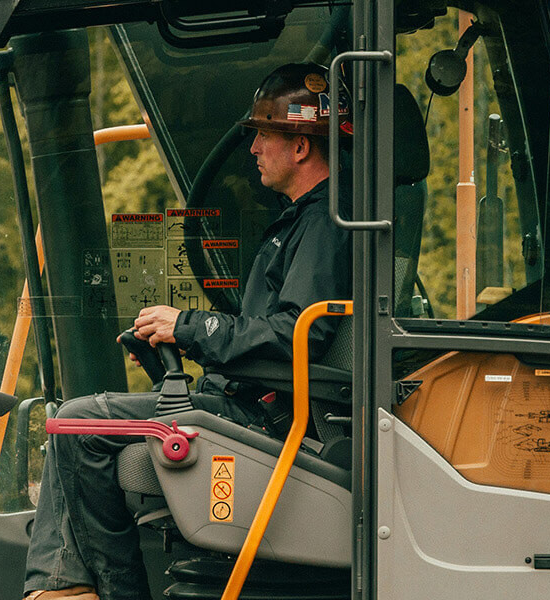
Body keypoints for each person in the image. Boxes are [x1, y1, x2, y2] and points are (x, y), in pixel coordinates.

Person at [21, 63, 354, 600]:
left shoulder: (322, 224)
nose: (253, 149)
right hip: (254, 400)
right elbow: (272, 334)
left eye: (263, 135)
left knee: (77, 422)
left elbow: (297, 334)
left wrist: (189, 325)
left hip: (264, 416)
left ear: (299, 146)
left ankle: (78, 590)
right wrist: (177, 347)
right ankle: (62, 586)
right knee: (78, 421)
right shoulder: (304, 220)